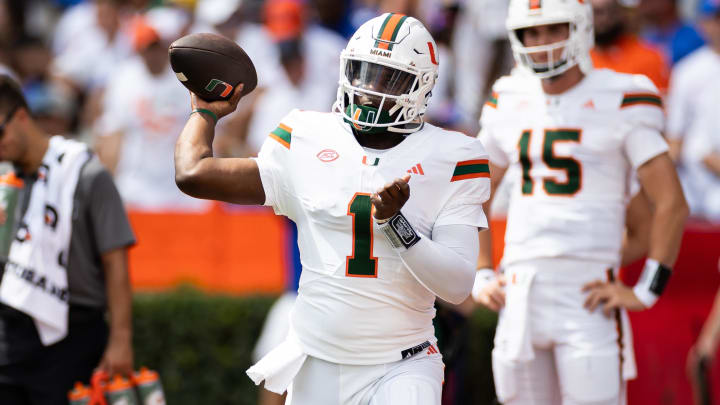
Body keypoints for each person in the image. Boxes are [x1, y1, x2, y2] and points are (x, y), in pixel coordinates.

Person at [174, 13, 491, 404]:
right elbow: (193, 174)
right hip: (319, 361)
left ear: (420, 85)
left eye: (387, 78)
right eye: (363, 72)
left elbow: (458, 286)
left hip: (403, 363)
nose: (370, 89)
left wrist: (397, 225)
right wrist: (204, 112)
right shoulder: (305, 135)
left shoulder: (453, 155)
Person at [472, 1, 688, 404]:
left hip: (587, 297)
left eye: (553, 30)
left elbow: (672, 203)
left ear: (580, 28)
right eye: (531, 33)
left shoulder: (621, 95)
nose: (541, 43)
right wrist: (482, 271)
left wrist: (646, 290)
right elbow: (471, 194)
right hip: (520, 294)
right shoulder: (509, 96)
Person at [0, 75, 135, 404]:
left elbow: (115, 260)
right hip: (10, 333)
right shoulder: (3, 182)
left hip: (74, 333)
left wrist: (121, 339)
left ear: (20, 117)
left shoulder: (85, 173)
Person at [590, 0, 670, 92]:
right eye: (597, 12)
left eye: (611, 10)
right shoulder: (577, 62)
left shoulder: (649, 57)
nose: (604, 18)